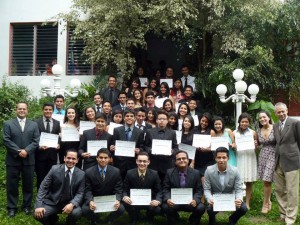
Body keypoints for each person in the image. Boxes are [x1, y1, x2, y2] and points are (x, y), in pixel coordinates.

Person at [3, 102, 40, 217]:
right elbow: (6, 140)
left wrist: (26, 151)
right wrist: (19, 151)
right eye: (20, 109)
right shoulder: (8, 124)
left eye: (24, 109)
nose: (22, 110)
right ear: (16, 110)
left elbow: (36, 140)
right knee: (12, 184)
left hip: (28, 159)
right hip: (13, 159)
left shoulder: (33, 125)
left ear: (27, 110)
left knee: (28, 184)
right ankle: (12, 207)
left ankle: (27, 206)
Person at [34, 150, 85, 225]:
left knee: (76, 213)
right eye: (68, 158)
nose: (70, 161)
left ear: (77, 160)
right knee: (38, 214)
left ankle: (69, 223)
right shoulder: (54, 169)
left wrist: (72, 204)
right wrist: (38, 206)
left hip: (70, 202)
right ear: (64, 158)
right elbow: (43, 187)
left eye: (73, 159)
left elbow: (80, 193)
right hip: (53, 202)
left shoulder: (81, 174)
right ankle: (52, 220)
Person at [204, 147, 248, 225]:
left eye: (224, 157)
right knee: (209, 209)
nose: (221, 160)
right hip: (216, 198)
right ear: (215, 158)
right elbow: (207, 189)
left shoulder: (235, 171)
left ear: (228, 158)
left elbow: (238, 189)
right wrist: (209, 199)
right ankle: (212, 220)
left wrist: (239, 199)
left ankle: (233, 219)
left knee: (243, 208)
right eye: (219, 157)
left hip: (230, 198)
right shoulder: (209, 170)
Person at [273, 102, 300, 225]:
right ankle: (283, 214)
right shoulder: (275, 125)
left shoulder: (295, 123)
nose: (281, 113)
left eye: (283, 111)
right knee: (279, 189)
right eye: (279, 112)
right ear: (275, 113)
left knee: (292, 191)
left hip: (291, 162)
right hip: (278, 162)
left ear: (287, 110)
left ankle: (290, 218)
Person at [83, 148, 125, 225]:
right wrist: (90, 201)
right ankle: (95, 219)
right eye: (101, 157)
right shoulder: (89, 172)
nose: (103, 160)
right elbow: (87, 190)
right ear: (97, 158)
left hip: (110, 199)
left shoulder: (116, 171)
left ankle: (109, 219)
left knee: (121, 209)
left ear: (109, 159)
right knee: (85, 210)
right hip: (95, 199)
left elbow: (118, 189)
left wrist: (117, 200)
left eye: (105, 158)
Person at [162, 150, 205, 225]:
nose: (181, 160)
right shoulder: (169, 172)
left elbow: (199, 190)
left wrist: (195, 200)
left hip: (190, 202)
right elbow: (166, 189)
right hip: (174, 202)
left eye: (184, 158)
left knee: (201, 208)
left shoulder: (196, 173)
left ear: (188, 160)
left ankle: (193, 220)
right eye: (179, 159)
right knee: (165, 207)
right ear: (175, 162)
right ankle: (174, 218)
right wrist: (168, 199)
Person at [122, 152, 162, 225]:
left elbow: (159, 191)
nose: (142, 163)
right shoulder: (129, 173)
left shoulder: (154, 174)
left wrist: (158, 201)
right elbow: (124, 189)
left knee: (157, 209)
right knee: (126, 203)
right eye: (140, 161)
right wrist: (125, 196)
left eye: (144, 161)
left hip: (149, 201)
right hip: (134, 201)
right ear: (136, 161)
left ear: (148, 162)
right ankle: (134, 218)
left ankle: (149, 217)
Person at [110, 109, 144, 179]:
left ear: (135, 118)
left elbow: (142, 146)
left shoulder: (140, 132)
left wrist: (139, 150)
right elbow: (113, 144)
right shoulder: (117, 130)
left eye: (131, 116)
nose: (129, 118)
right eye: (127, 116)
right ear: (124, 117)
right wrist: (112, 148)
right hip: (119, 162)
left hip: (133, 163)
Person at [145, 110, 178, 182]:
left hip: (167, 164)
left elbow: (176, 148)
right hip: (153, 163)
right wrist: (150, 150)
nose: (162, 121)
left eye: (164, 119)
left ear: (167, 121)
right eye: (160, 119)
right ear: (156, 120)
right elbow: (145, 146)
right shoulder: (149, 131)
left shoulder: (172, 133)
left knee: (165, 184)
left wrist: (172, 151)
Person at [234, 113, 258, 209]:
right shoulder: (234, 132)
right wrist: (233, 146)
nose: (244, 123)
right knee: (237, 181)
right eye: (242, 121)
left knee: (249, 181)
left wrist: (256, 145)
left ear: (249, 123)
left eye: (246, 122)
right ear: (239, 122)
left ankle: (247, 203)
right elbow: (232, 146)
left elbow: (256, 147)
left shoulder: (253, 133)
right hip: (239, 157)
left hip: (250, 158)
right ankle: (237, 202)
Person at [35, 103, 61, 190]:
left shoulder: (57, 123)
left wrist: (58, 144)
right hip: (40, 155)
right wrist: (39, 146)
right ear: (43, 110)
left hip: (52, 156)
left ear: (53, 111)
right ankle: (40, 199)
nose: (48, 111)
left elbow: (59, 137)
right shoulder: (36, 122)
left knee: (51, 178)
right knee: (40, 178)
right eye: (46, 109)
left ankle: (50, 198)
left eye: (50, 110)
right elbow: (34, 137)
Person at [256, 110, 276, 214]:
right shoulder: (258, 130)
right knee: (265, 180)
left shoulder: (275, 128)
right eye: (260, 118)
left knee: (267, 179)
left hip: (273, 154)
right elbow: (258, 144)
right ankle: (268, 200)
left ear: (269, 117)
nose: (262, 119)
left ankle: (265, 204)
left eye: (264, 117)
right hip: (263, 155)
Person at [191, 113, 214, 187]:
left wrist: (208, 149)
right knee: (196, 179)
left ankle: (204, 198)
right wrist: (192, 161)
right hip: (196, 158)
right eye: (202, 121)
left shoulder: (211, 131)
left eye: (206, 122)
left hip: (207, 159)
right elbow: (191, 145)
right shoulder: (194, 129)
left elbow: (214, 147)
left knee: (204, 179)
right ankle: (198, 198)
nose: (204, 123)